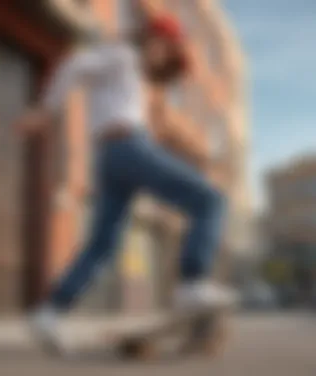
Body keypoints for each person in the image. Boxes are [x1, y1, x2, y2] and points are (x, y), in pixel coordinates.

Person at [18, 11, 237, 353]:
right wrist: (46, 111)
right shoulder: (122, 54)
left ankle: (50, 311)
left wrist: (202, 156)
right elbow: (75, 65)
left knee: (102, 244)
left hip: (112, 157)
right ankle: (192, 284)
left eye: (168, 54)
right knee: (210, 200)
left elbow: (162, 129)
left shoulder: (134, 76)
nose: (161, 57)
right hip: (127, 148)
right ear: (152, 39)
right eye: (163, 48)